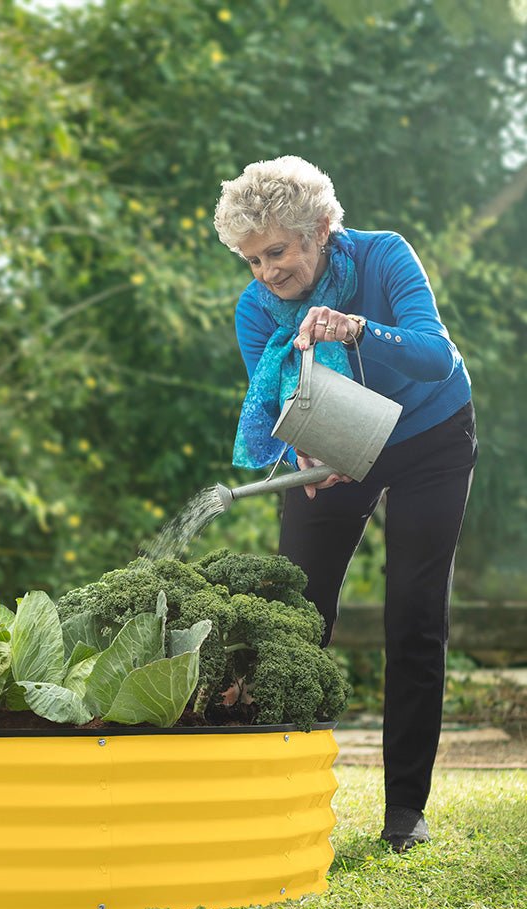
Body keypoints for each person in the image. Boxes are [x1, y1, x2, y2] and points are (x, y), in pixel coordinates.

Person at [213, 156, 476, 852]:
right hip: (344, 441)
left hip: (430, 433)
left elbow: (436, 357)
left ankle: (405, 814)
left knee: (414, 616)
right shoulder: (254, 310)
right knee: (297, 617)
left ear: (323, 228)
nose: (266, 271)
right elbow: (282, 409)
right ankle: (277, 797)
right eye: (251, 259)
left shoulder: (385, 257)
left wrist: (353, 327)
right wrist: (305, 453)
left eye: (277, 251)